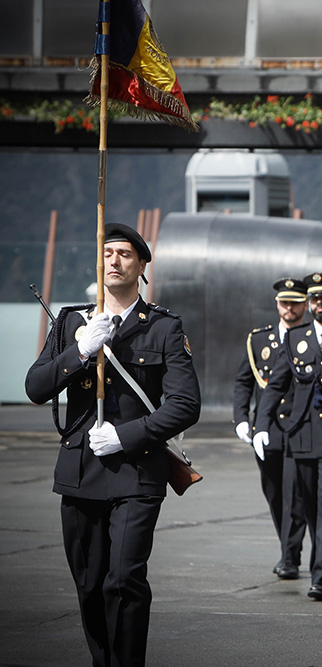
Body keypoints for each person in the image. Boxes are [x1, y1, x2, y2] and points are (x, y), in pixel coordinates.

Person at [25, 223, 201, 667]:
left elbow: (185, 405)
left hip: (137, 473)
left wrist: (126, 434)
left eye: (125, 254)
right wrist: (80, 351)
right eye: (107, 253)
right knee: (88, 584)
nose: (114, 261)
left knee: (123, 580)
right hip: (80, 474)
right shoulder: (71, 322)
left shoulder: (163, 327)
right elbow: (35, 386)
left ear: (141, 266)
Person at [252, 272, 322, 602]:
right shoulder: (296, 338)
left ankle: (319, 577)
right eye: (314, 299)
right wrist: (262, 425)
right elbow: (276, 385)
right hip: (300, 434)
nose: (318, 304)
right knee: (311, 506)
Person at [232, 277, 309, 579]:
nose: (289, 308)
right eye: (284, 302)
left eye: (295, 302)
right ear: (277, 304)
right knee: (274, 492)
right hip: (266, 430)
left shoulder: (309, 338)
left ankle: (290, 556)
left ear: (304, 304)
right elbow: (243, 381)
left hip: (299, 426)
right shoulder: (259, 339)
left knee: (295, 493)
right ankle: (287, 546)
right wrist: (241, 419)